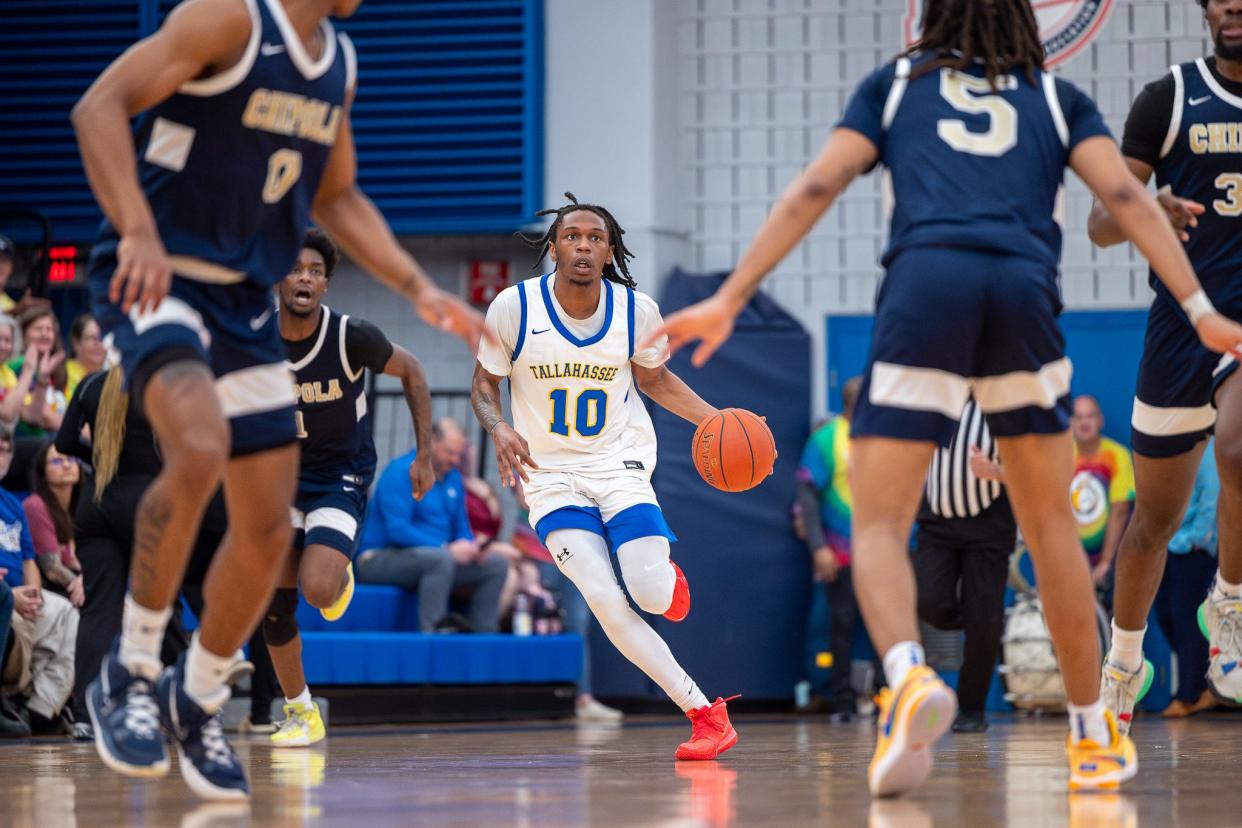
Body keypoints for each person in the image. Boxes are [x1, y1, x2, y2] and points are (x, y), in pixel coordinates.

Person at [648, 0, 1242, 795]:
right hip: (1023, 292)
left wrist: (732, 295)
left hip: (927, 286)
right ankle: (1092, 734)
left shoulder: (896, 84)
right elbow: (1131, 203)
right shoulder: (1055, 96)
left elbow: (817, 184)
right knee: (1051, 527)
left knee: (881, 521)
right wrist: (1201, 309)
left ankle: (907, 675)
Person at [72, 0, 484, 799]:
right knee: (198, 446)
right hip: (158, 276)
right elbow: (97, 108)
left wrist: (419, 287)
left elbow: (338, 196)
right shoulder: (227, 19)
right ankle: (127, 675)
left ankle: (193, 698)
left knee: (265, 530)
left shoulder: (339, 61)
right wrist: (136, 229)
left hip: (241, 306)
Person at [472, 193, 739, 761]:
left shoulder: (636, 311)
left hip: (619, 464)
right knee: (604, 599)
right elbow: (482, 384)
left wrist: (716, 421)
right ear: (553, 248)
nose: (584, 245)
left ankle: (665, 582)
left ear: (609, 248)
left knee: (646, 590)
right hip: (549, 478)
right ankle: (704, 713)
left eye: (595, 237)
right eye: (572, 236)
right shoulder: (512, 309)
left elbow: (658, 382)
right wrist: (497, 427)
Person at [1087, 0, 1242, 730]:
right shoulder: (1170, 97)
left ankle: (1231, 608)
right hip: (1180, 327)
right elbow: (1100, 222)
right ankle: (1124, 661)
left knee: (1240, 446)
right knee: (1154, 520)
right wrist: (1152, 207)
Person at [264, 229, 435, 748]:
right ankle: (300, 711)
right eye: (296, 268)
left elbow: (415, 372)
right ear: (279, 278)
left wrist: (424, 453)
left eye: (316, 271)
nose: (306, 278)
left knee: (317, 589)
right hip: (279, 478)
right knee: (274, 602)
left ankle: (338, 578)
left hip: (340, 475)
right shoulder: (255, 341)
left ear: (325, 284)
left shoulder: (349, 336)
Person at [913, 399, 1016, 733]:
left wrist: (996, 471)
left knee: (984, 621)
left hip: (989, 524)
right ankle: (977, 620)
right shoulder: (933, 400)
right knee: (928, 602)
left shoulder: (1003, 403)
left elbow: (1035, 471)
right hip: (937, 521)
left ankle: (972, 709)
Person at [355, 419, 509, 633]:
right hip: (379, 558)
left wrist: (472, 547)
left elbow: (460, 526)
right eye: (449, 453)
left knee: (496, 565)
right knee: (440, 560)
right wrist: (445, 548)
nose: (455, 460)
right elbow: (397, 530)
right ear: (431, 443)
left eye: (459, 454)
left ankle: (483, 636)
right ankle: (432, 633)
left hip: (433, 560)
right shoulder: (401, 471)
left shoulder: (453, 478)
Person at [0, 426, 78, 735]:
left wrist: (33, 594)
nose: (2, 456)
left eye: (7, 450)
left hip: (23, 597)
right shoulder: (34, 505)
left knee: (66, 614)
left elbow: (29, 559)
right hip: (5, 596)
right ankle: (13, 700)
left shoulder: (12, 504)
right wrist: (13, 596)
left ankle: (40, 709)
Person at [796, 377, 864, 722]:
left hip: (884, 552)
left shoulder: (884, 437)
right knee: (841, 625)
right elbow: (806, 494)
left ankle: (891, 695)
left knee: (889, 625)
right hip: (842, 551)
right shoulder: (827, 439)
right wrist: (820, 547)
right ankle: (842, 701)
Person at [1155, 442, 1219, 718]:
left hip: (1193, 549)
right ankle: (1205, 685)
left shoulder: (1207, 449)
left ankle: (1189, 694)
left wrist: (1199, 539)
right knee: (1166, 614)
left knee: (1187, 621)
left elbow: (1213, 497)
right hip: (1166, 544)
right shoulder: (1169, 443)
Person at [1068, 395, 1136, 594]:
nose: (1084, 422)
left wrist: (1105, 562)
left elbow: (1120, 511)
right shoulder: (1061, 457)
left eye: (1090, 416)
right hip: (1069, 564)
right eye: (1078, 417)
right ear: (1070, 422)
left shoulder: (1117, 456)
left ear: (1100, 420)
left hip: (1112, 565)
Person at [23, 444, 84, 607]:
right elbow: (51, 569)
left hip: (74, 586)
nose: (66, 465)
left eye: (72, 459)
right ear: (43, 472)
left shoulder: (84, 507)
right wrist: (87, 586)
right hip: (49, 592)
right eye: (57, 461)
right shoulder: (35, 506)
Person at [8, 308, 68, 437]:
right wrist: (85, 431)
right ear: (23, 335)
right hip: (26, 442)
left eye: (49, 329)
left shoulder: (56, 370)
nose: (44, 334)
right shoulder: (19, 365)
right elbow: (45, 417)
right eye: (38, 329)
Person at [0, 315, 49, 427]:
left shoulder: (8, 374)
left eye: (7, 340)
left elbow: (31, 416)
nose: (3, 345)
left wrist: (43, 379)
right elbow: (7, 413)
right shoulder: (19, 366)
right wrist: (28, 371)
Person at [65, 314, 107, 401]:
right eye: (92, 338)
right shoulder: (62, 374)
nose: (99, 344)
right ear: (76, 343)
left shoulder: (112, 374)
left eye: (102, 338)